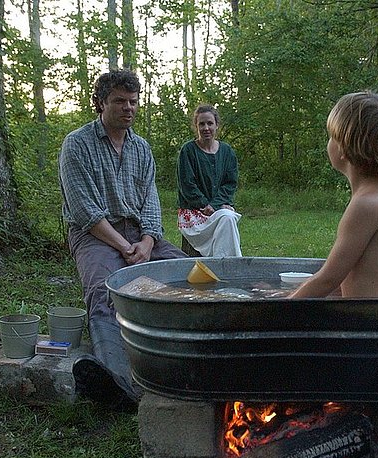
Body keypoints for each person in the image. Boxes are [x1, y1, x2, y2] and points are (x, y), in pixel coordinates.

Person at [58, 69, 187, 408]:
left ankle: (180, 357)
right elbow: (84, 209)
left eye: (133, 101)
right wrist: (123, 246)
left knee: (187, 275)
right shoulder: (77, 143)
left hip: (140, 236)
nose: (128, 108)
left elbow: (151, 202)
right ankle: (117, 380)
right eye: (119, 101)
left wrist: (146, 243)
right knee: (104, 289)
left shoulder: (141, 148)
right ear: (100, 103)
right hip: (95, 236)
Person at [289, 91, 378, 298]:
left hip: (374, 323)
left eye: (332, 136)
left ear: (343, 149)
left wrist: (276, 310)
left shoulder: (366, 205)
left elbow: (328, 279)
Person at [177, 104, 242, 257]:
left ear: (217, 125)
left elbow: (230, 183)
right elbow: (187, 185)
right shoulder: (188, 150)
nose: (206, 128)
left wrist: (214, 205)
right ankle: (230, 265)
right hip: (194, 214)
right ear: (196, 126)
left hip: (217, 209)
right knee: (227, 218)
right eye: (202, 124)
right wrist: (204, 205)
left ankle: (224, 265)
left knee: (227, 218)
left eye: (210, 123)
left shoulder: (226, 151)